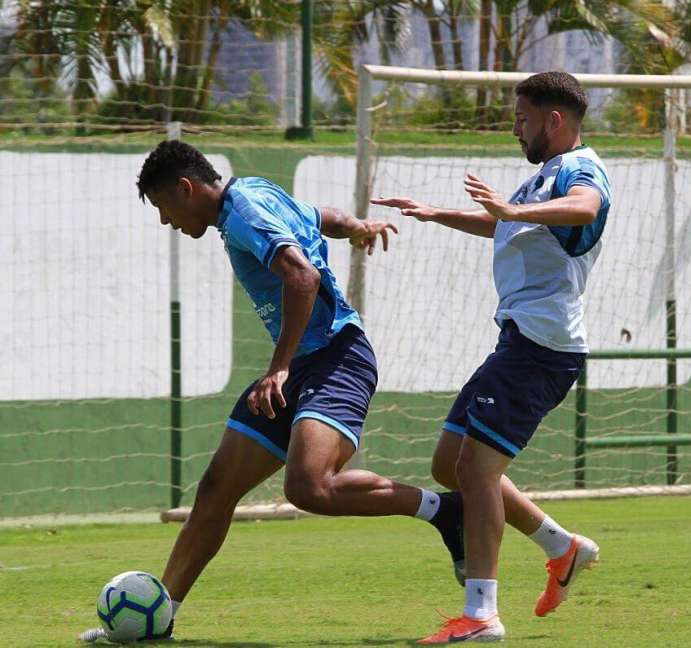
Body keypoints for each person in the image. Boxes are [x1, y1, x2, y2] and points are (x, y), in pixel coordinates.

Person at [80, 141, 465, 642]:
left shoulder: (243, 212)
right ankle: (159, 617)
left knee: (309, 487)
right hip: (303, 364)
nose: (164, 221)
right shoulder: (255, 194)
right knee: (216, 489)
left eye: (162, 206)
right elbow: (320, 217)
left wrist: (278, 368)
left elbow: (302, 275)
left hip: (336, 357)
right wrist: (357, 226)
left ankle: (444, 511)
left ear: (185, 188)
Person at [373, 70, 609, 643]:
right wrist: (436, 213)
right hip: (519, 341)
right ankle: (562, 546)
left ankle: (481, 615)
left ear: (555, 120)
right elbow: (502, 224)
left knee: (477, 470)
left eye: (523, 119)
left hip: (541, 345)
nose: (515, 129)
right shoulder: (542, 178)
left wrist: (512, 210)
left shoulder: (580, 170)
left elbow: (586, 207)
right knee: (449, 462)